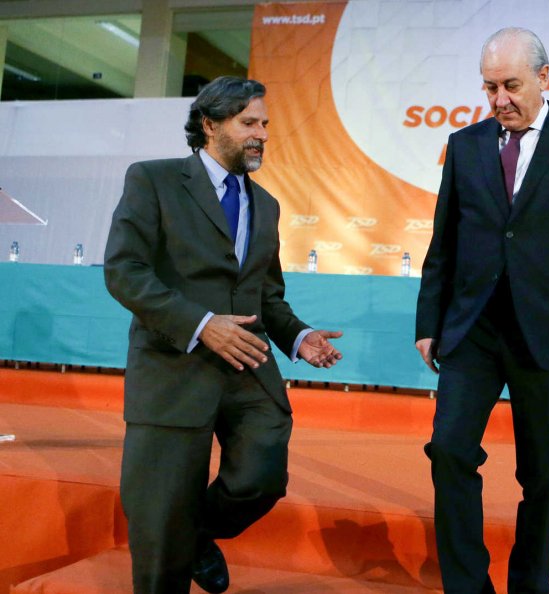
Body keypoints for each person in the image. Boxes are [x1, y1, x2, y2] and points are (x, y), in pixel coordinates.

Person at [104, 76, 343, 594]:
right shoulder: (153, 179)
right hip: (173, 368)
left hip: (247, 369)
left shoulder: (267, 205)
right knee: (160, 523)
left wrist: (300, 337)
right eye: (249, 122)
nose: (262, 134)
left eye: (265, 124)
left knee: (262, 477)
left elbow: (266, 296)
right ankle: (176, 541)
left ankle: (194, 535)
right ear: (210, 124)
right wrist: (201, 324)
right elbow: (124, 271)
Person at [415, 27, 549, 594]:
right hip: (473, 329)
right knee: (449, 451)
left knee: (545, 475)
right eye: (489, 87)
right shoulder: (464, 145)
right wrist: (429, 323)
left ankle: (530, 586)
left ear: (544, 77)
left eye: (510, 85)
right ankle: (467, 586)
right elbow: (444, 241)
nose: (499, 99)